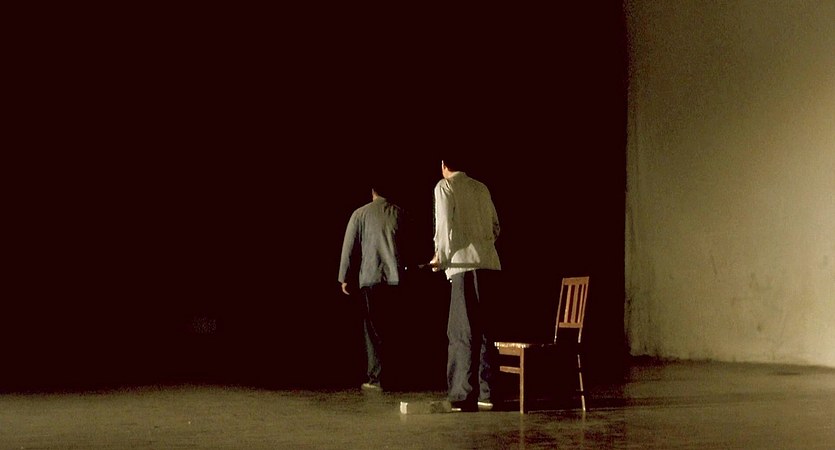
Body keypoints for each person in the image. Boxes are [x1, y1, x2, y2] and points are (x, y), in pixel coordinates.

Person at [428, 156, 502, 412]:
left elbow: (444, 224)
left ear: (443, 164)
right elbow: (495, 227)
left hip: (463, 266)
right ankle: (487, 393)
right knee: (487, 332)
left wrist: (440, 256)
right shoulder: (482, 188)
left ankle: (462, 394)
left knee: (462, 332)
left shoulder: (445, 186)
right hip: (490, 265)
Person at [337, 179, 406, 391]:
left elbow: (349, 247)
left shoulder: (360, 214)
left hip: (371, 277)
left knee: (372, 330)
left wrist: (344, 276)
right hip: (395, 278)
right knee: (392, 328)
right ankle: (395, 375)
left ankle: (376, 378)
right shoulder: (399, 213)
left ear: (372, 191)